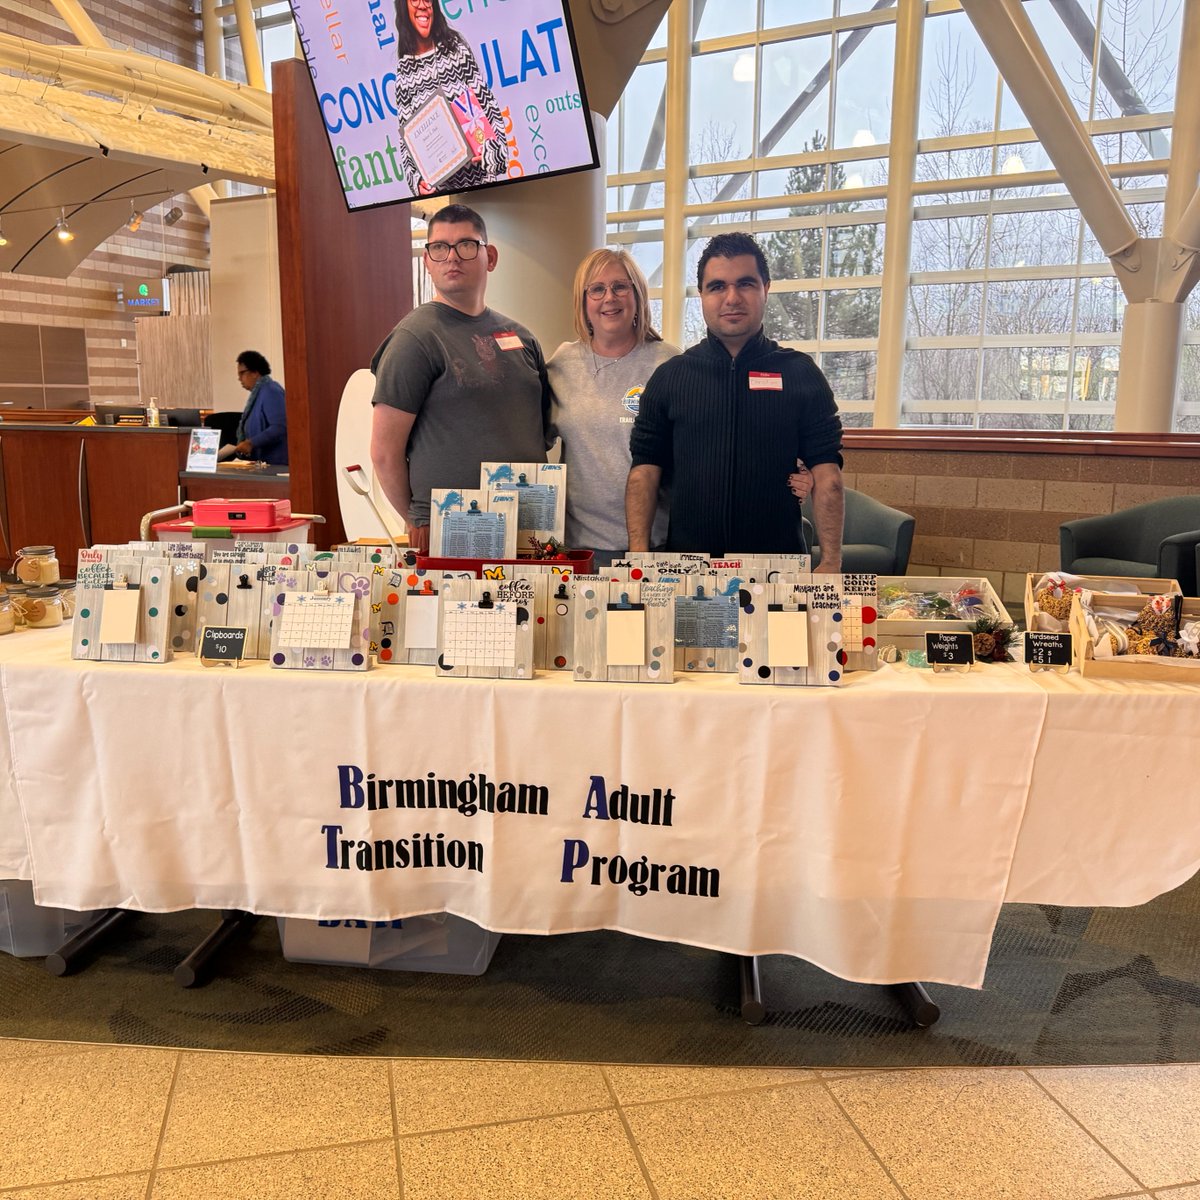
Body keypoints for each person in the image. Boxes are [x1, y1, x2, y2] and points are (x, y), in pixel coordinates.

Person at [626, 231, 844, 566]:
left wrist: (832, 561)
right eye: (717, 286)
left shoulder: (801, 374)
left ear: (765, 289)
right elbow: (644, 472)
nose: (732, 298)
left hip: (779, 571)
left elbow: (828, 476)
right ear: (700, 294)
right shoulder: (670, 378)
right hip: (688, 572)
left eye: (745, 284)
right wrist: (639, 557)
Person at [370, 203, 550, 555]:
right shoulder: (415, 338)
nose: (452, 258)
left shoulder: (521, 337)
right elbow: (383, 453)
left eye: (466, 246)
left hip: (529, 526)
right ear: (427, 261)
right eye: (439, 247)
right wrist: (418, 519)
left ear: (490, 257)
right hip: (451, 530)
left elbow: (537, 429)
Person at [547, 249, 679, 564]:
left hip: (656, 546)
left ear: (638, 296)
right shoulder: (562, 365)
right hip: (579, 548)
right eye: (597, 289)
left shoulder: (670, 363)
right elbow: (529, 443)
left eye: (621, 286)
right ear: (583, 301)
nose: (609, 298)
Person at [394, 0, 508, 198]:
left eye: (428, 0)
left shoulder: (456, 49)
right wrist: (418, 182)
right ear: (403, 7)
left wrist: (493, 152)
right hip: (445, 195)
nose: (423, 5)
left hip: (483, 185)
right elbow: (407, 145)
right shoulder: (404, 74)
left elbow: (487, 104)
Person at [232, 350, 287, 465]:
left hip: (276, 465)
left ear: (255, 372)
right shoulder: (259, 394)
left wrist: (251, 443)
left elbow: (280, 427)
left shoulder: (271, 391)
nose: (239, 378)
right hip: (263, 464)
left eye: (242, 373)